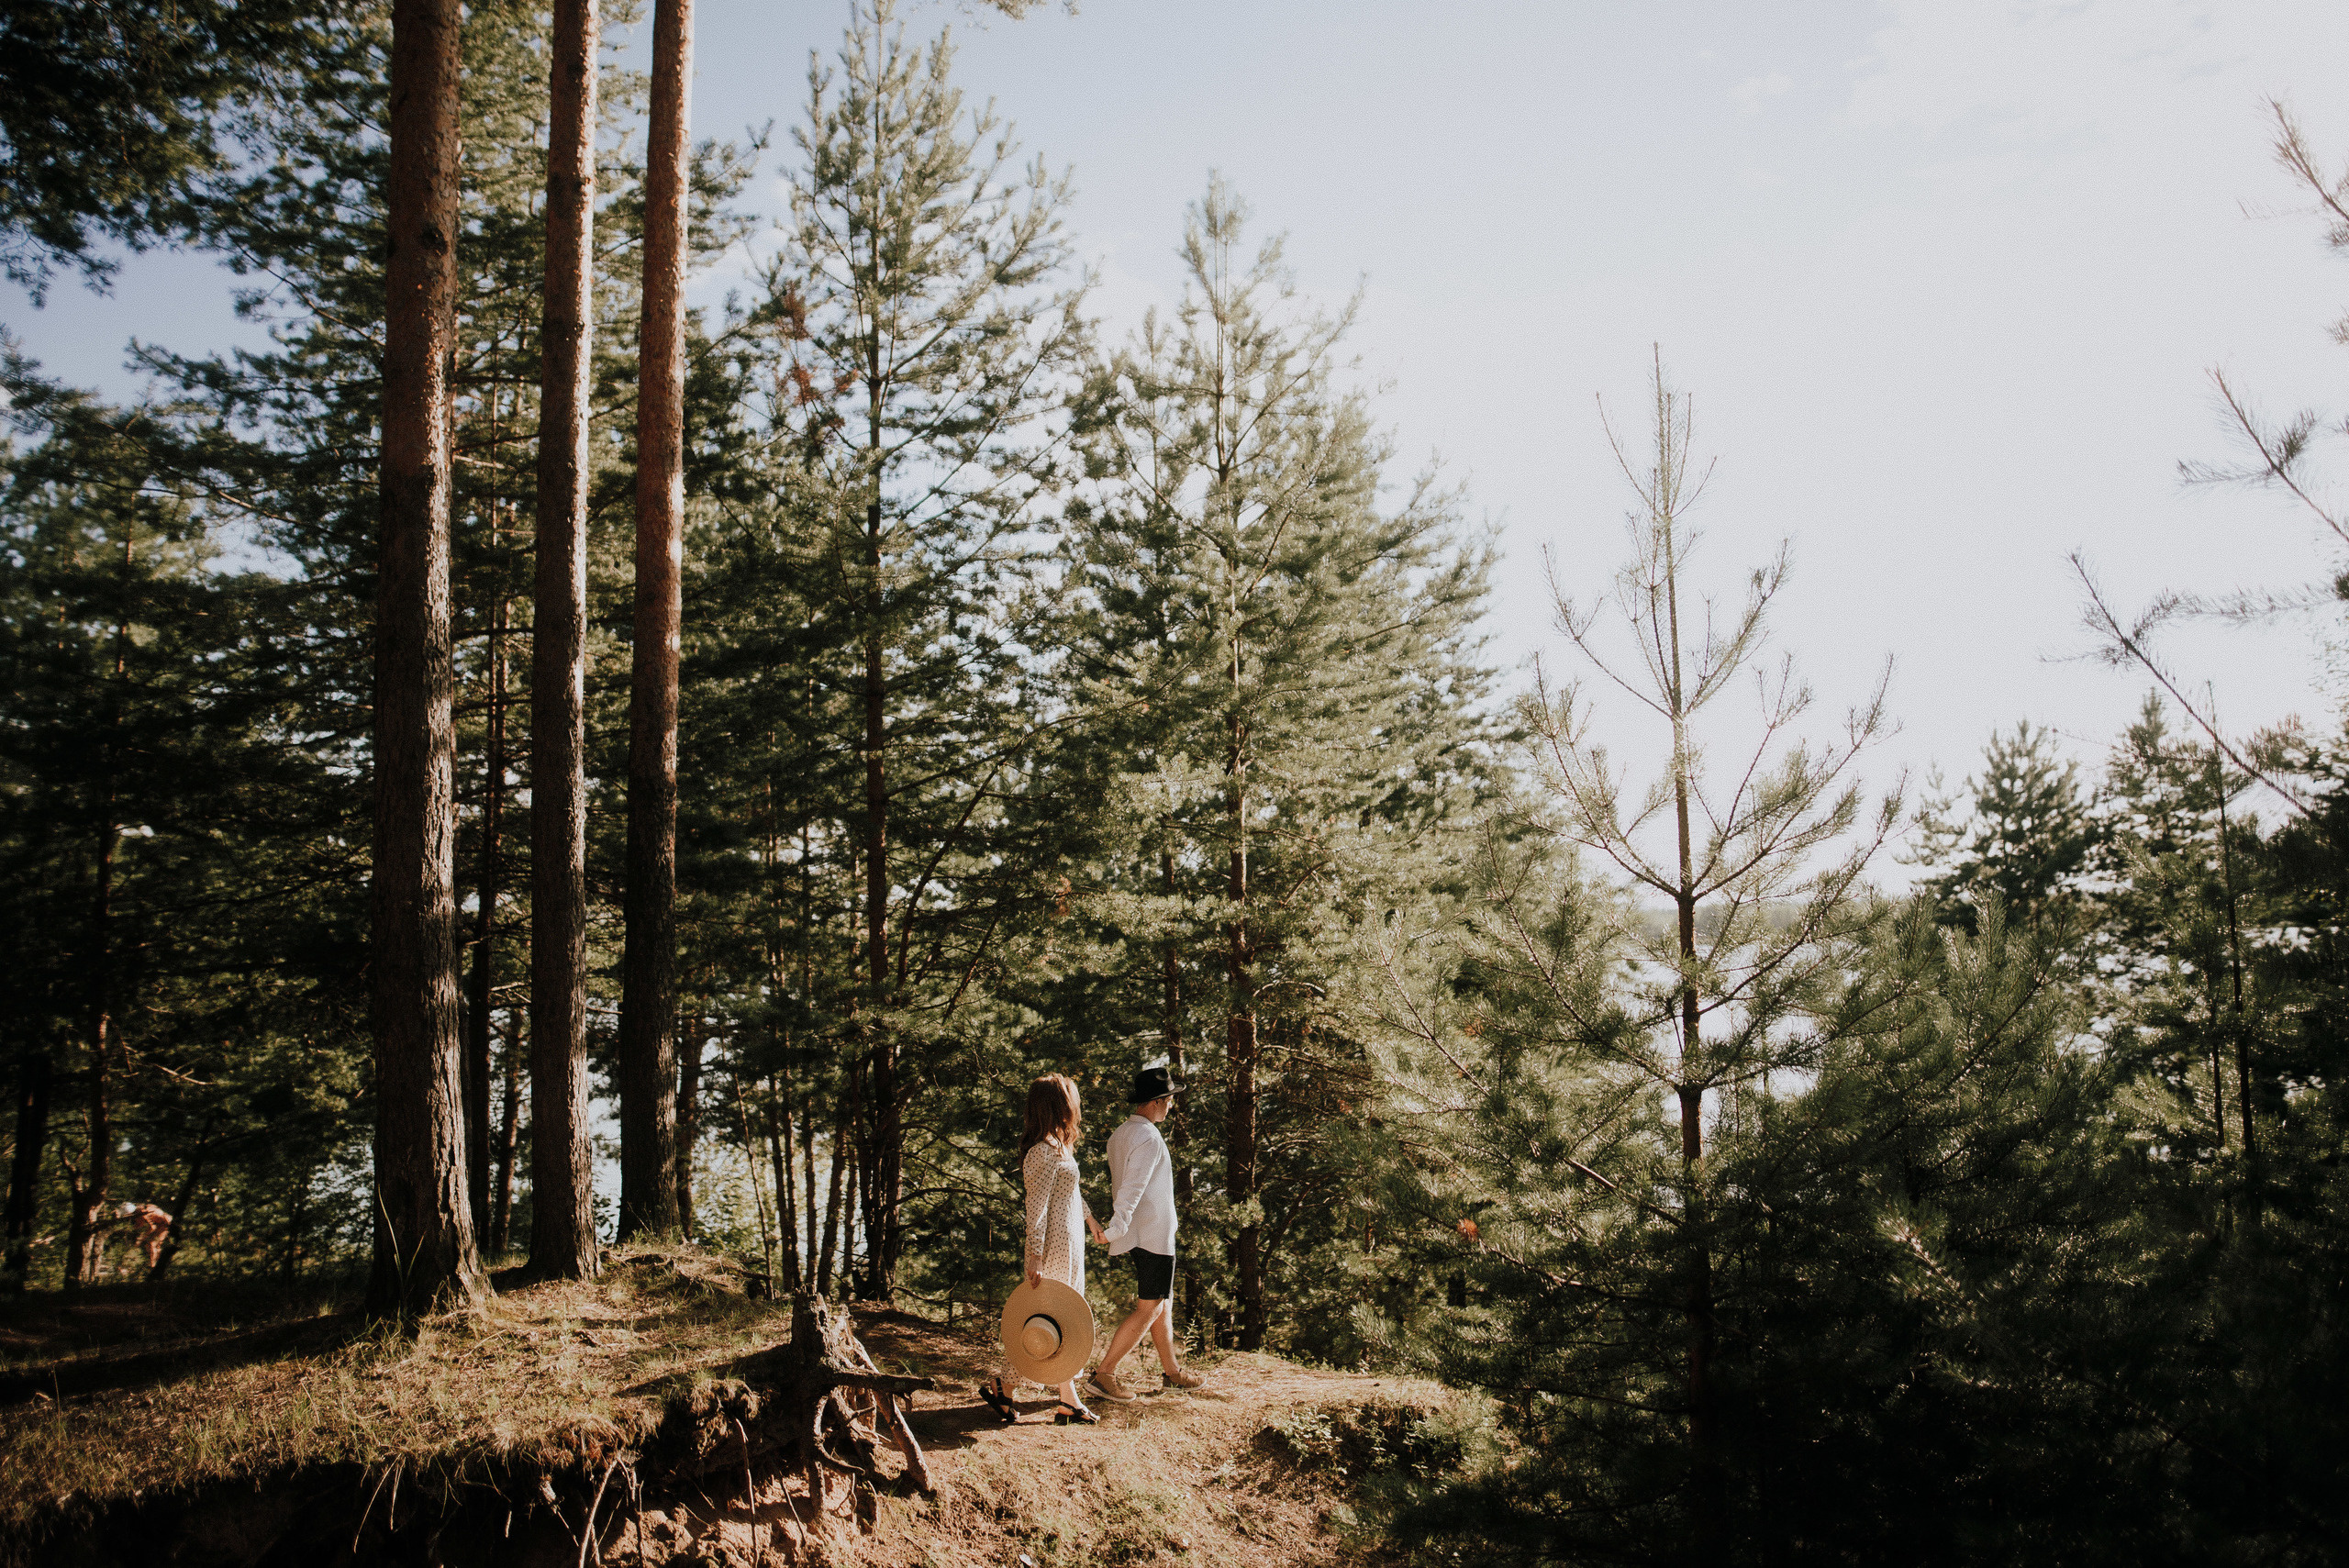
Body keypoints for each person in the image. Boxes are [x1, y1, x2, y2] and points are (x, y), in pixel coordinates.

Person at [981, 1073, 1107, 1425]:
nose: (1076, 1107)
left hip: (1071, 1243)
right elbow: (1035, 1209)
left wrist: (1091, 1220)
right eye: (1070, 1099)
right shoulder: (1040, 1152)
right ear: (1056, 1105)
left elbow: (1071, 1191)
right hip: (1052, 1246)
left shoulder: (1060, 1147)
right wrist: (1034, 1255)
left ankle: (1057, 1399)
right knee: (1049, 1320)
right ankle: (1007, 1385)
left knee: (1065, 1320)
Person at [1088, 1066, 1203, 1402]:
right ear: (1155, 1101)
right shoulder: (1149, 1137)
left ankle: (1172, 1373)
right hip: (1151, 1236)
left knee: (1160, 1304)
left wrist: (1121, 1228)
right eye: (1169, 1100)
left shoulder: (1120, 1134)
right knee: (1150, 1307)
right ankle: (1104, 1374)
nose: (1171, 1106)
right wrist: (1117, 1227)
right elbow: (1131, 1188)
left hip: (1143, 1235)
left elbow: (1123, 1186)